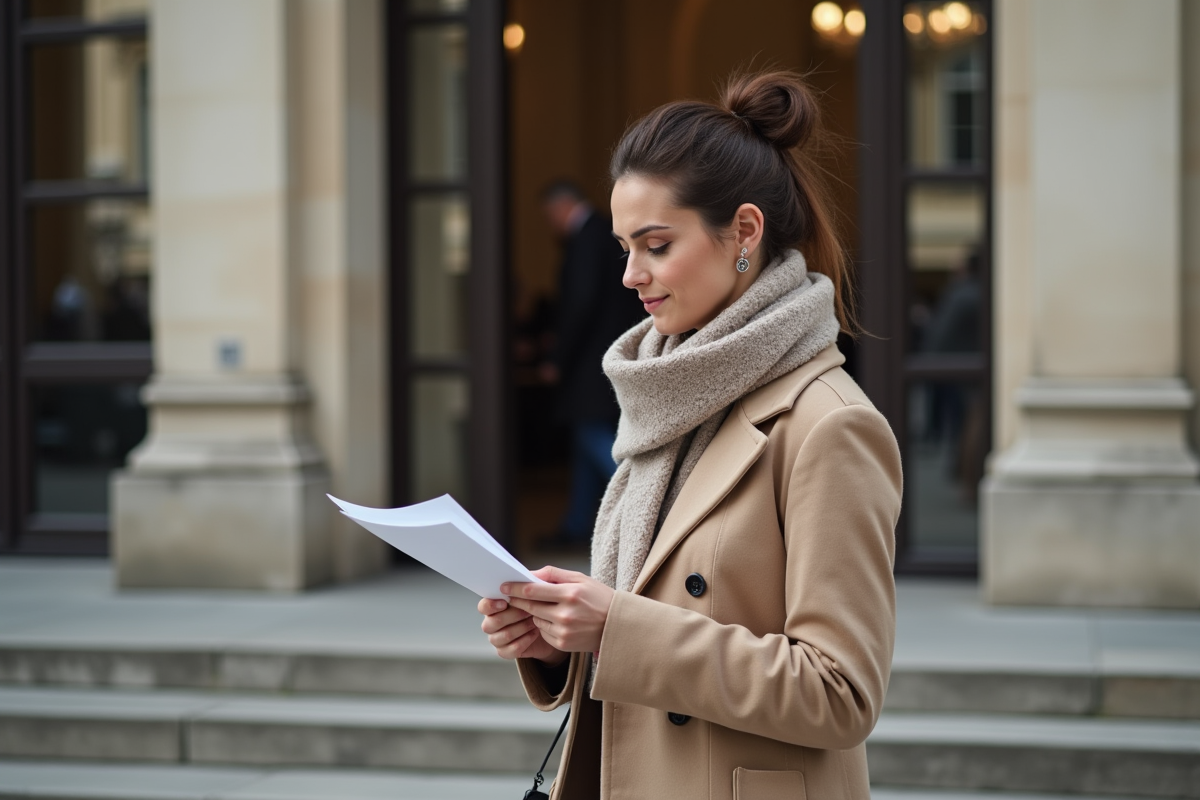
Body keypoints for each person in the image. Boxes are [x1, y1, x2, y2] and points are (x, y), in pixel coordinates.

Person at [479, 71, 902, 800]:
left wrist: (619, 629)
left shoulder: (830, 425)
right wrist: (563, 644)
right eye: (623, 248)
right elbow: (658, 624)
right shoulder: (665, 401)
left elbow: (841, 693)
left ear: (743, 232)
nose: (631, 276)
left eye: (656, 245)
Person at [540, 180, 645, 544]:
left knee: (592, 435)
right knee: (585, 440)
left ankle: (645, 505)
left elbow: (580, 304)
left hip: (589, 362)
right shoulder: (604, 232)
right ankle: (576, 523)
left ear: (561, 206)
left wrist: (558, 357)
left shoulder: (585, 239)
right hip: (607, 356)